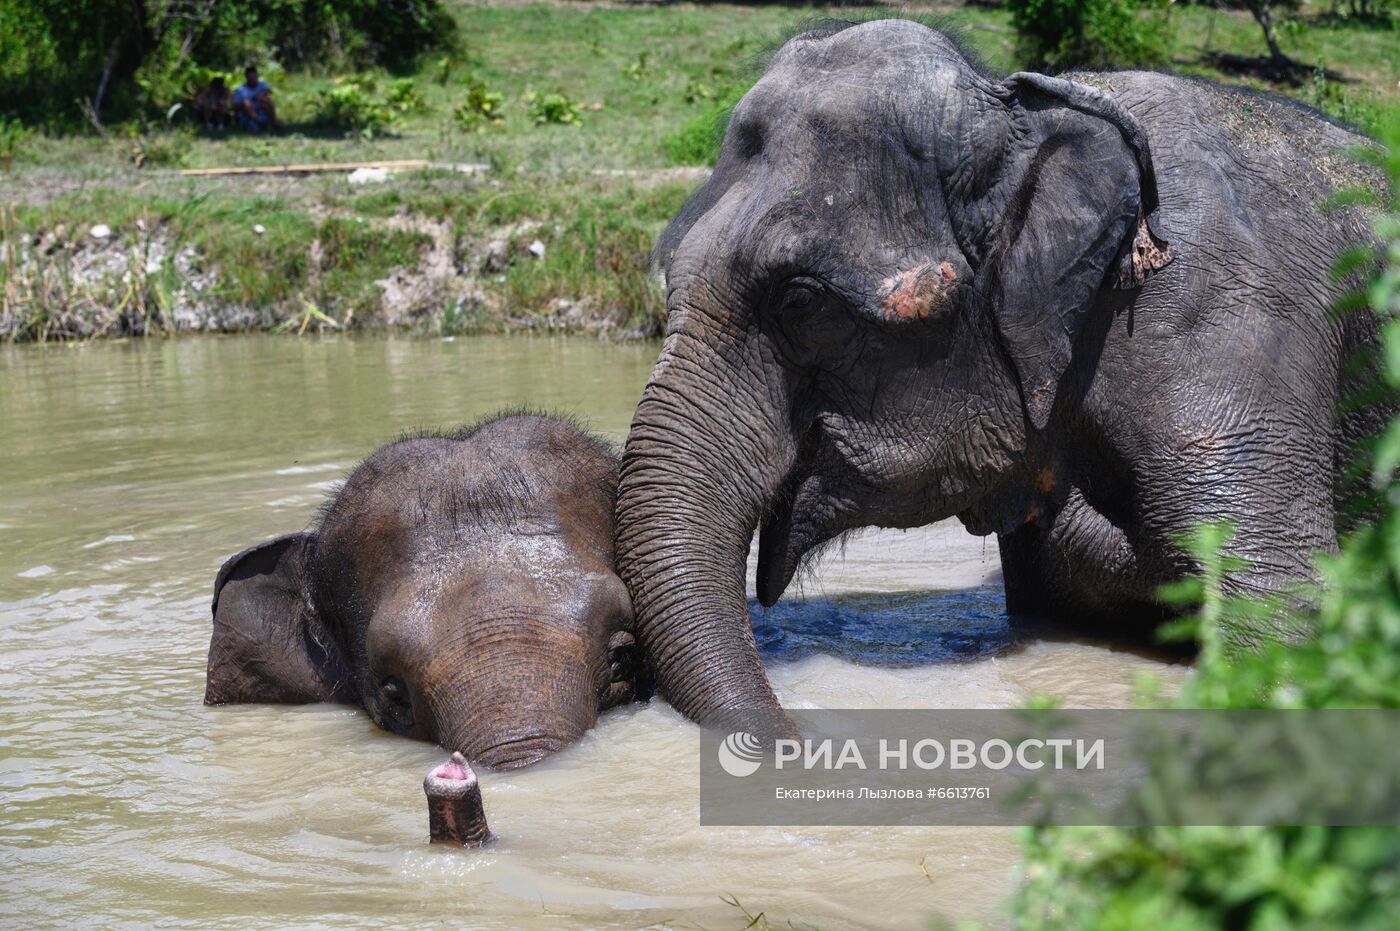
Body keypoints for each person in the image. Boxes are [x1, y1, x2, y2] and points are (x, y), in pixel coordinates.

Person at [233, 66, 277, 132]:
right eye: (250, 77)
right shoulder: (240, 89)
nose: (253, 79)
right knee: (246, 103)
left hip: (261, 111)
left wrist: (259, 95)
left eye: (254, 77)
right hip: (247, 116)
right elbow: (236, 107)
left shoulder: (262, 85)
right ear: (246, 77)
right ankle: (260, 123)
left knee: (266, 100)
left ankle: (274, 124)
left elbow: (269, 91)